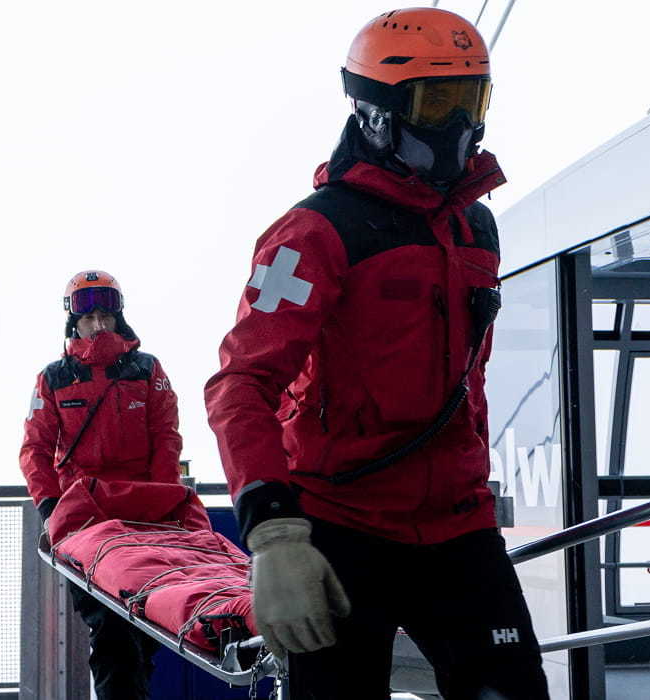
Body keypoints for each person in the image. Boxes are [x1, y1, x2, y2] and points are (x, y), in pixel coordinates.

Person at [204, 9, 549, 699]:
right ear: (378, 112)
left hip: (458, 528)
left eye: (470, 100)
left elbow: (468, 381)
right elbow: (241, 384)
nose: (457, 125)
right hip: (342, 531)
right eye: (435, 102)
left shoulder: (475, 227)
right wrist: (275, 535)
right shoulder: (315, 234)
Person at [20, 269, 183, 700]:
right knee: (109, 627)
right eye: (86, 312)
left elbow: (166, 438)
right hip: (85, 521)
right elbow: (35, 448)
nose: (97, 321)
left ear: (118, 315)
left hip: (144, 517)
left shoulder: (147, 370)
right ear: (72, 319)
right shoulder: (54, 378)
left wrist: (165, 503)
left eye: (105, 310)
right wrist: (51, 508)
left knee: (146, 625)